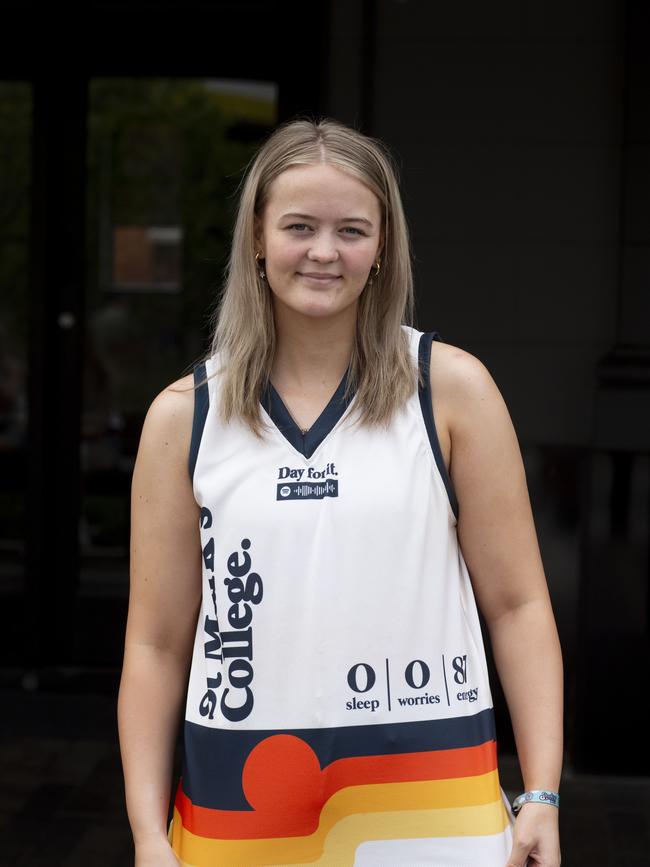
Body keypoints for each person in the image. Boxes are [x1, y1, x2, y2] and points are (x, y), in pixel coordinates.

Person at [117, 116, 563, 867]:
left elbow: (517, 605)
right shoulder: (184, 416)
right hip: (242, 808)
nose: (325, 251)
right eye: (299, 226)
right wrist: (144, 832)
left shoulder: (450, 390)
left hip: (431, 800)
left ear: (382, 246)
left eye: (352, 229)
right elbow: (156, 645)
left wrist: (542, 793)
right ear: (257, 238)